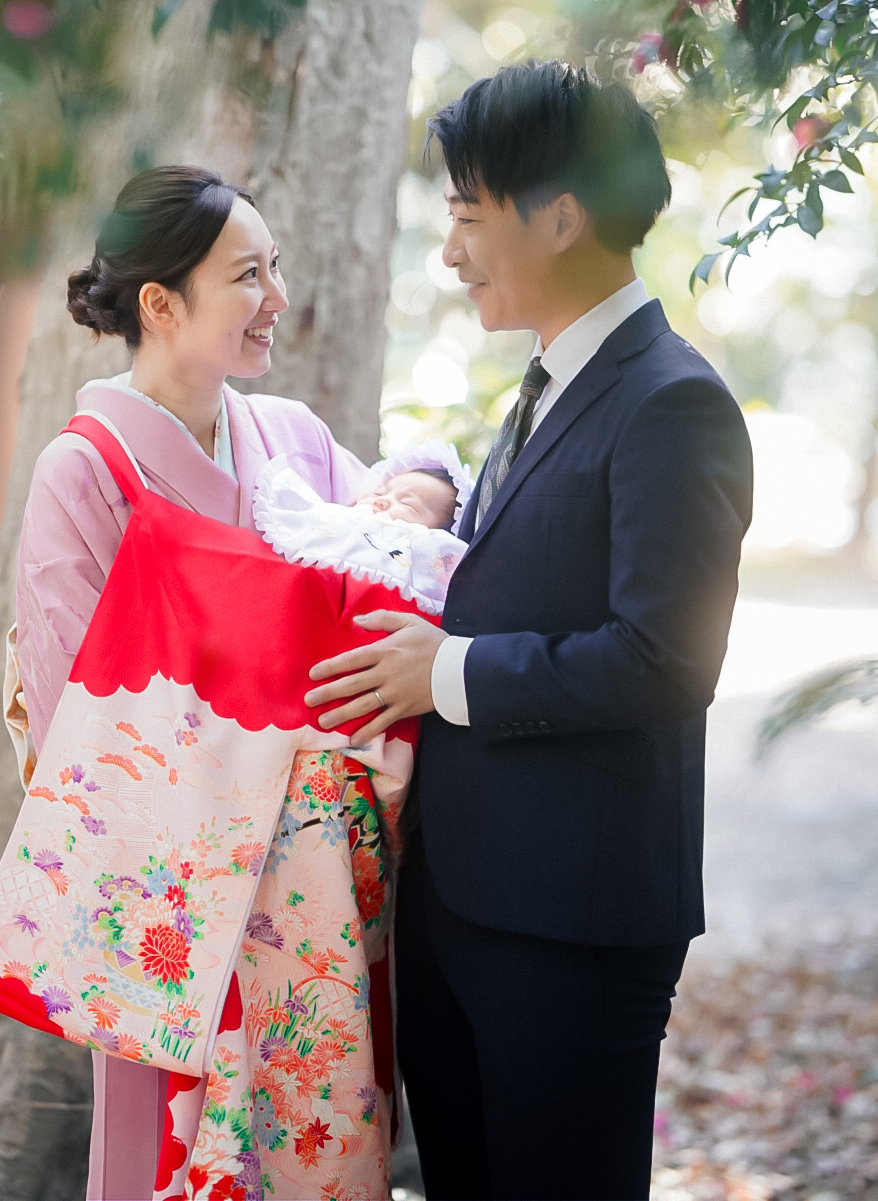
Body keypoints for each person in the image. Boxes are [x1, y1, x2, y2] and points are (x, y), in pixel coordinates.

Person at [304, 60, 754, 1201]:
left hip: (573, 920)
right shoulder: (548, 382)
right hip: (464, 905)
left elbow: (668, 658)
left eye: (466, 214)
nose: (449, 250)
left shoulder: (672, 403)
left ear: (560, 215)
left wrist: (442, 671)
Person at [8, 165, 406, 1201]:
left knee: (321, 1130)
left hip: (319, 894)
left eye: (275, 269)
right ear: (160, 303)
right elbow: (74, 728)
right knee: (167, 1158)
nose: (277, 296)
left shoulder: (299, 442)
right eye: (247, 275)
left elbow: (395, 580)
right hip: (176, 896)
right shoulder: (85, 469)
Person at [253, 440, 471, 614]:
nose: (382, 500)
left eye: (407, 503)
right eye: (380, 492)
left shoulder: (425, 549)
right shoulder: (340, 516)